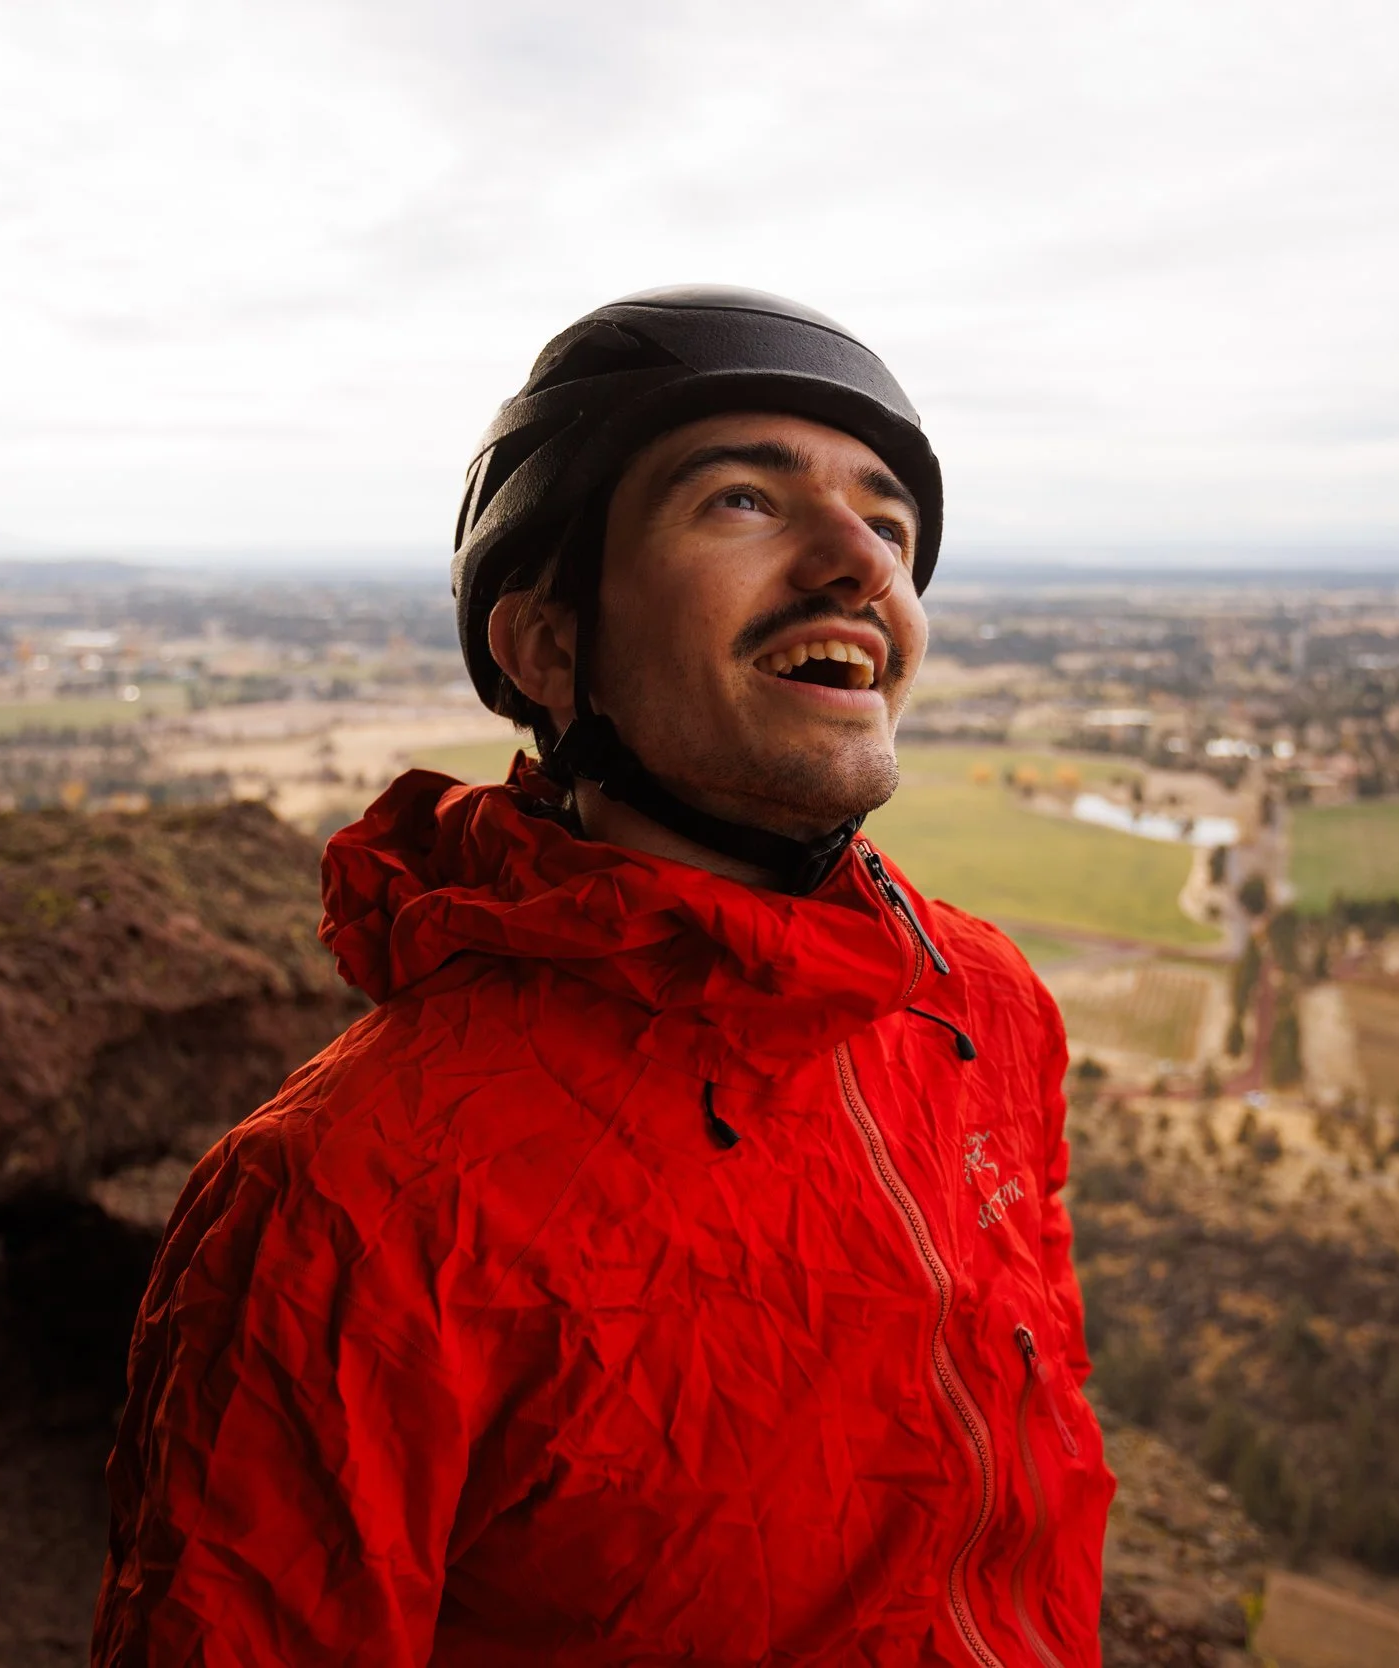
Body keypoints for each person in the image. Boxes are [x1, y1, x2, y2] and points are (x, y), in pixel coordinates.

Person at [91, 286, 1114, 1666]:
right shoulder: (349, 1195)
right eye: (743, 501)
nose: (858, 563)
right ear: (548, 647)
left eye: (890, 523)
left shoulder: (981, 1006)